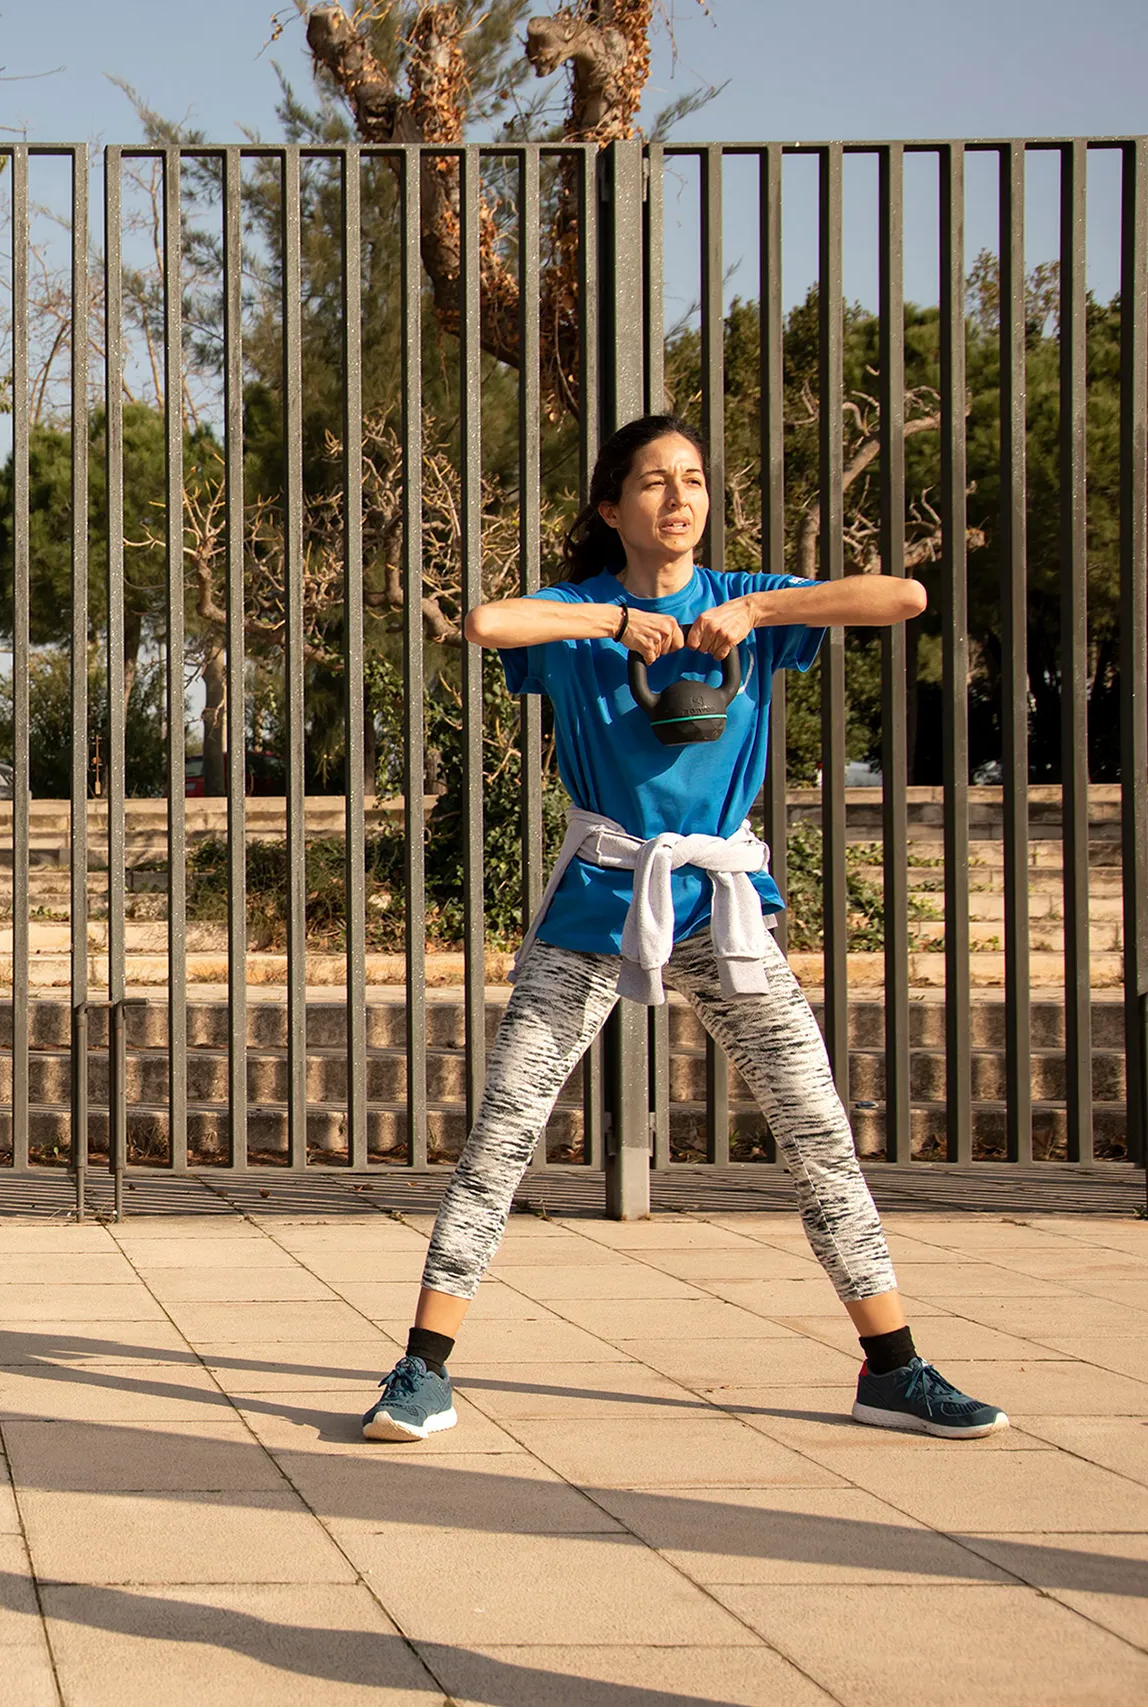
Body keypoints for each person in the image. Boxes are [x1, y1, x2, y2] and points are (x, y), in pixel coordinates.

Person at [361, 413, 1009, 1446]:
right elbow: (485, 622)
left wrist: (754, 607)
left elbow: (904, 597)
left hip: (722, 907)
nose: (678, 498)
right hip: (598, 901)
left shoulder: (743, 601)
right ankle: (421, 1370)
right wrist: (613, 623)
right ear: (612, 507)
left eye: (694, 480)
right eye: (655, 481)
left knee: (815, 1130)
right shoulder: (578, 614)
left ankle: (893, 1368)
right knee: (504, 1133)